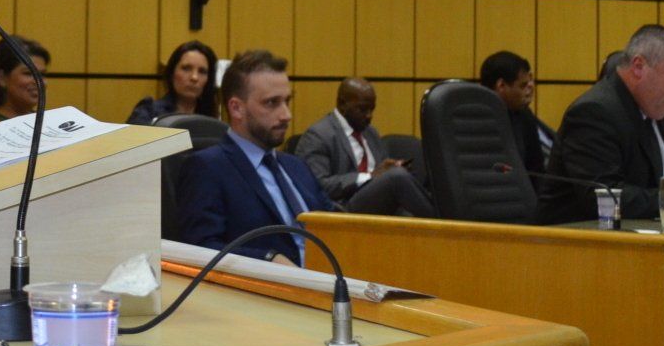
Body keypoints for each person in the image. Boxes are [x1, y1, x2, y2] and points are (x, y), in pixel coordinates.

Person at [540, 25, 664, 225]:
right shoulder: (594, 112)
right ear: (639, 67)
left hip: (647, 236)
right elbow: (604, 196)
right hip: (574, 237)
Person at [175, 50, 333, 264]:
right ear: (236, 108)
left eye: (287, 101)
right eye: (271, 103)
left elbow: (336, 227)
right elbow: (199, 249)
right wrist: (267, 259)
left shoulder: (297, 167)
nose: (286, 115)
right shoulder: (207, 168)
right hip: (268, 283)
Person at [296, 78, 434, 215]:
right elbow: (318, 186)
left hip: (381, 207)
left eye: (372, 109)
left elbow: (382, 175)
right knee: (397, 177)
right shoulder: (318, 135)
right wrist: (369, 177)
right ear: (342, 104)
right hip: (343, 210)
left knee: (403, 184)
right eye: (362, 109)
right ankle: (441, 223)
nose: (369, 116)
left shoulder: (370, 132)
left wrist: (389, 168)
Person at [480, 50, 552, 177]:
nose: (530, 87)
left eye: (530, 81)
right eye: (523, 85)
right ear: (501, 86)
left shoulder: (524, 116)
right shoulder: (473, 118)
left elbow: (536, 170)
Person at [127, 40, 218, 126]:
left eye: (202, 71)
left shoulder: (212, 119)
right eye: (186, 68)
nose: (194, 77)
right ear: (171, 73)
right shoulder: (149, 111)